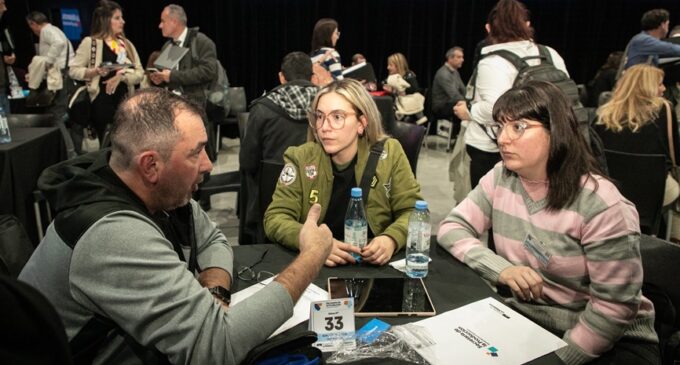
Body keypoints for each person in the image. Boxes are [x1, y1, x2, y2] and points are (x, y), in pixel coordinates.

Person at [18, 87, 333, 364]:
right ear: (151, 165)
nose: (209, 164)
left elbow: (212, 241)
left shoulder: (153, 190)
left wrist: (215, 292)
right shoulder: (113, 234)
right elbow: (216, 348)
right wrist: (311, 257)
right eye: (196, 153)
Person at [438, 80, 659, 365]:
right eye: (500, 127)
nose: (503, 139)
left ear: (556, 130)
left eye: (518, 127)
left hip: (611, 339)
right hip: (530, 319)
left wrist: (558, 360)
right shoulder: (501, 177)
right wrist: (502, 269)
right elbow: (452, 227)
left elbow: (613, 309)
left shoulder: (600, 204)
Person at [264, 79, 422, 267]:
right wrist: (310, 241)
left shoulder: (390, 154)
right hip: (316, 267)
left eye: (337, 117)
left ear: (362, 123)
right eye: (320, 117)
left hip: (369, 269)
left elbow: (413, 210)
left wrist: (392, 238)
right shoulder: (300, 158)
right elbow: (275, 218)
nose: (324, 127)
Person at [453, 0, 569, 188]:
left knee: (490, 208)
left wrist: (469, 111)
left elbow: (494, 109)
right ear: (527, 25)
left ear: (489, 28)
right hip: (548, 147)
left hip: (495, 150)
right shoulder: (551, 54)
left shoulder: (492, 62)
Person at [240, 51, 319, 243]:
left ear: (281, 77)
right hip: (319, 196)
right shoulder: (330, 107)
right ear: (313, 77)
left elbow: (247, 162)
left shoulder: (262, 108)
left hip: (270, 201)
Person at [594, 64, 680, 240]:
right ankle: (673, 238)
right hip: (652, 195)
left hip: (609, 193)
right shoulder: (663, 109)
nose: (664, 89)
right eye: (660, 84)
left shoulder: (603, 114)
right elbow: (676, 156)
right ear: (647, 86)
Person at [68, 0, 144, 144]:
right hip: (101, 104)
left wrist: (121, 77)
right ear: (105, 21)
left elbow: (139, 73)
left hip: (126, 103)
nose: (123, 21)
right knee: (107, 145)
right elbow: (73, 71)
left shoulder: (126, 44)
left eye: (121, 17)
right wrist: (95, 71)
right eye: (117, 18)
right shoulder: (90, 43)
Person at [25, 11, 77, 159]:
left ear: (33, 24)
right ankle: (67, 152)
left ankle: (69, 153)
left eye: (31, 27)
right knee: (57, 115)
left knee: (56, 116)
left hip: (60, 78)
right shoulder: (54, 30)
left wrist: (47, 62)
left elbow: (59, 43)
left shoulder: (47, 31)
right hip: (63, 75)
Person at [151, 4, 217, 108]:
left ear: (174, 22)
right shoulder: (167, 46)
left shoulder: (201, 42)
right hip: (171, 106)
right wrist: (160, 79)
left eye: (163, 21)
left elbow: (208, 71)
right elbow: (167, 77)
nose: (160, 25)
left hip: (197, 107)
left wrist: (172, 76)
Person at [431, 46, 466, 121]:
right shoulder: (444, 74)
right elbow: (454, 95)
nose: (462, 60)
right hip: (441, 107)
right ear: (450, 58)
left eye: (462, 57)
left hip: (450, 103)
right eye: (459, 57)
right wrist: (468, 103)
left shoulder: (455, 72)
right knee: (465, 108)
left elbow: (463, 89)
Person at [0, 0, 16, 113]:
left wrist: (7, 56)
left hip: (2, 84)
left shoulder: (3, 27)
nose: (5, 9)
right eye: (1, 4)